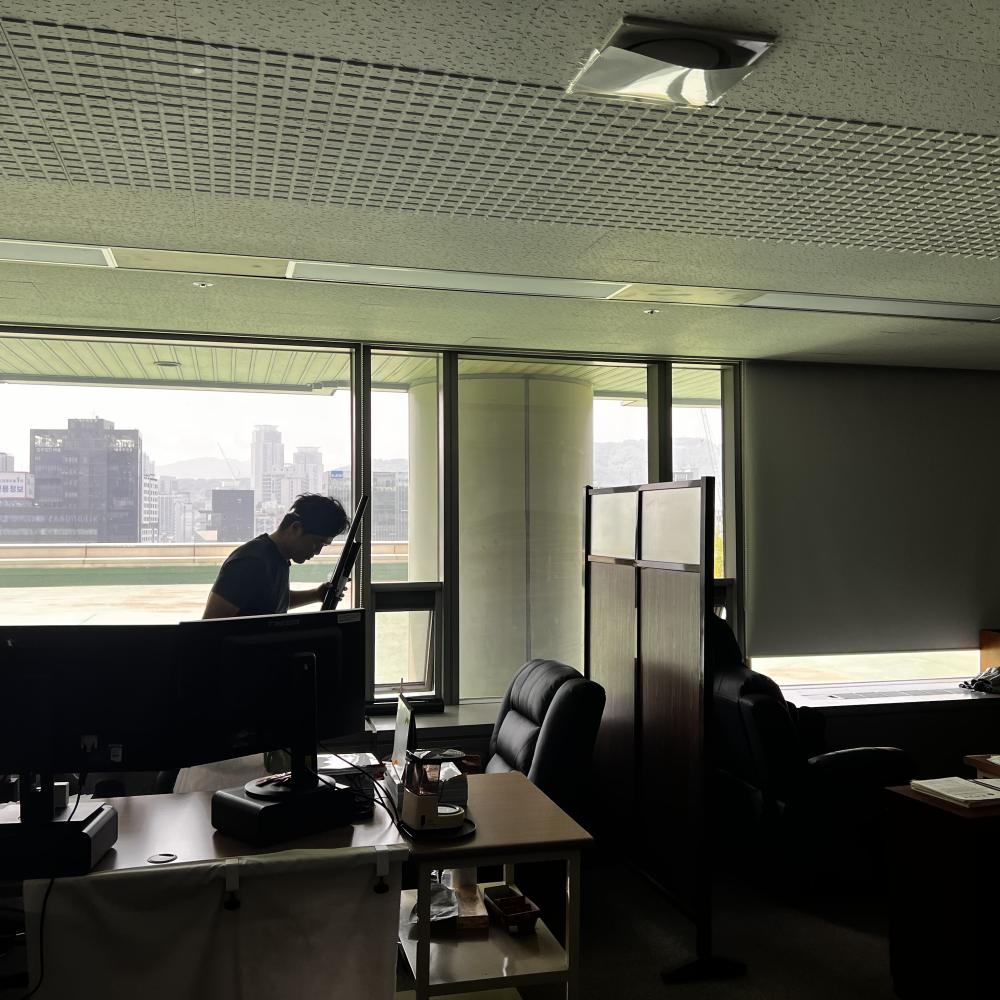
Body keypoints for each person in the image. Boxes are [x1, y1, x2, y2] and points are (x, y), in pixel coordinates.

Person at [202, 493, 350, 619]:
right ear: (296, 528)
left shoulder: (277, 558)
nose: (317, 551)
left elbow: (271, 600)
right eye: (317, 543)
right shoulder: (250, 562)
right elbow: (210, 624)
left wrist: (317, 594)